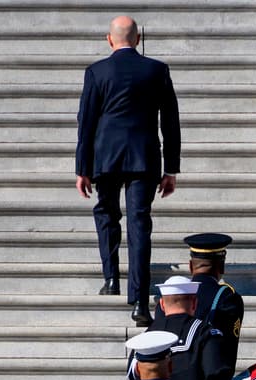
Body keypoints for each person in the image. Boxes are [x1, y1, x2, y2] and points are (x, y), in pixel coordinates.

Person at [75, 14, 180, 325]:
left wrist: (83, 167)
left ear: (110, 39)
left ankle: (110, 280)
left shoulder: (97, 71)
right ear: (138, 39)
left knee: (107, 215)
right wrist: (171, 168)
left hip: (105, 158)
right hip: (144, 159)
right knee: (139, 225)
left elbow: (87, 123)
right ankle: (139, 302)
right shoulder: (157, 70)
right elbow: (170, 123)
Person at [129, 275, 232, 380]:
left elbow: (134, 378)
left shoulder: (145, 338)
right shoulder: (206, 333)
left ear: (161, 304)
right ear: (195, 303)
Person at [154, 233, 245, 378]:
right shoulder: (227, 298)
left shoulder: (169, 298)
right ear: (221, 266)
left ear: (191, 266)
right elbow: (227, 349)